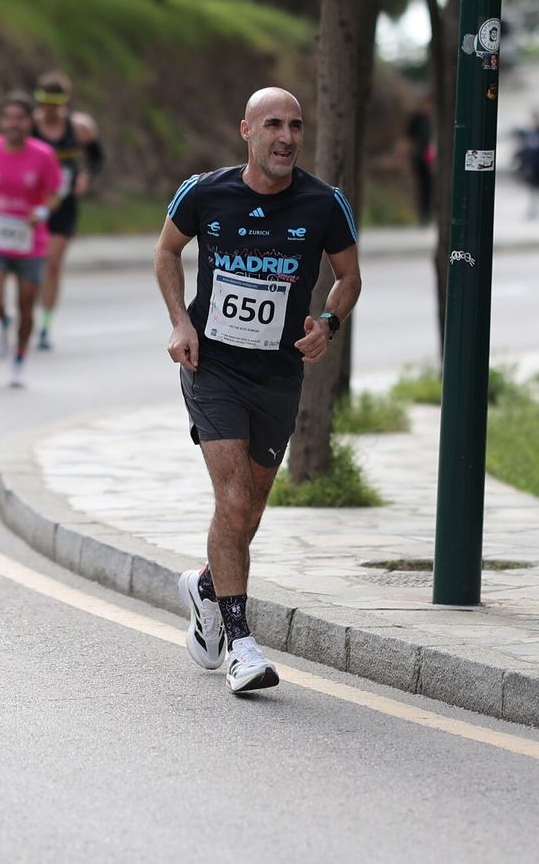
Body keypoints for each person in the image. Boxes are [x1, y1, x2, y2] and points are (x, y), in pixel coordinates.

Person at [153, 87, 361, 694]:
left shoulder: (325, 202)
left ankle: (207, 587)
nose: (287, 137)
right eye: (273, 124)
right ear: (246, 130)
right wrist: (180, 320)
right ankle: (241, 644)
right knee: (236, 497)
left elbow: (348, 276)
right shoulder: (204, 191)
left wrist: (329, 323)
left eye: (296, 126)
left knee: (251, 507)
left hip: (277, 375)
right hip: (212, 366)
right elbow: (167, 252)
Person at [0, 92, 63, 388]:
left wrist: (42, 212)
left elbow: (55, 193)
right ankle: (3, 321)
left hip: (29, 240)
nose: (14, 123)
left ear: (29, 121)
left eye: (20, 118)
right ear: (1, 120)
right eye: (8, 117)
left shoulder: (44, 155)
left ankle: (19, 360)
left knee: (26, 304)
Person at [30, 70, 104, 351]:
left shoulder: (80, 128)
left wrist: (85, 176)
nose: (49, 109)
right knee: (31, 265)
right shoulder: (29, 127)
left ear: (64, 102)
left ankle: (45, 326)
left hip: (65, 205)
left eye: (55, 103)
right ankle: (27, 313)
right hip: (34, 203)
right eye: (44, 102)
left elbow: (97, 157)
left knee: (52, 263)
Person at [401, 97, 435, 225]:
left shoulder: (428, 121)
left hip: (427, 158)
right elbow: (408, 139)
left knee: (428, 187)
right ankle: (422, 215)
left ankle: (427, 214)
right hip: (418, 157)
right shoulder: (417, 120)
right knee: (421, 186)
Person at [515, 111, 539, 220]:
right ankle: (533, 211)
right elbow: (525, 151)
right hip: (533, 168)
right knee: (533, 190)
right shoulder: (530, 134)